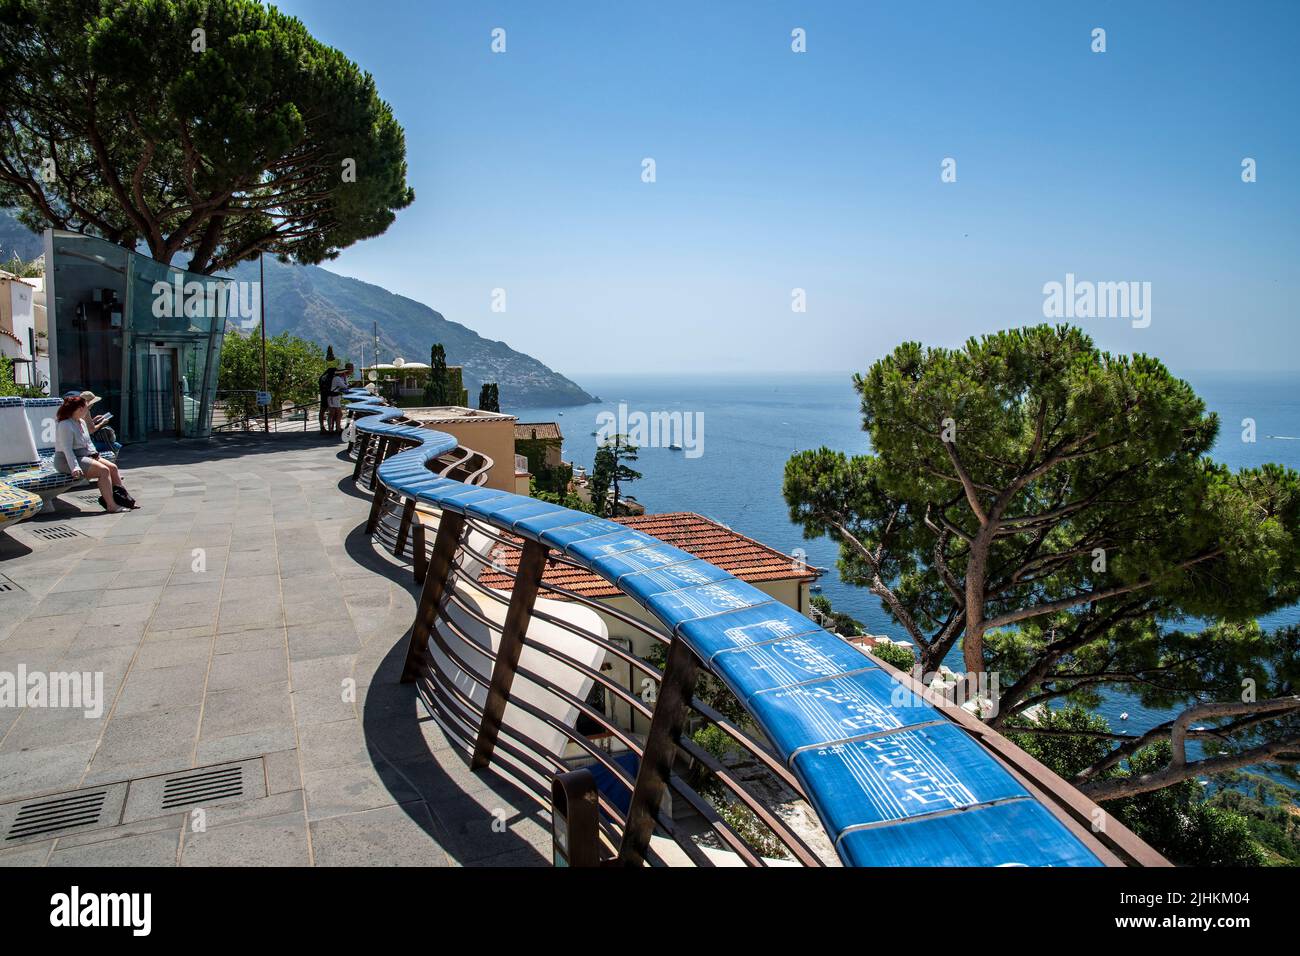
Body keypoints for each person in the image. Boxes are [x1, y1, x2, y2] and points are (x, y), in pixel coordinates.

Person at [53, 395, 137, 513]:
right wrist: (75, 467)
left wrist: (94, 453)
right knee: (104, 471)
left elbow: (88, 442)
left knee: (112, 467)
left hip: (84, 455)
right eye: (86, 408)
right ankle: (111, 505)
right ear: (79, 409)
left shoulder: (81, 422)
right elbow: (67, 449)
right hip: (66, 460)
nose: (88, 411)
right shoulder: (65, 425)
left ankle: (124, 500)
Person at [80, 391, 122, 455]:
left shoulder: (79, 410)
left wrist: (94, 420)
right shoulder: (86, 411)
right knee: (116, 445)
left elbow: (84, 425)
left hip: (81, 440)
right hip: (85, 442)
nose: (93, 404)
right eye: (92, 402)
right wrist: (102, 423)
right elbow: (91, 430)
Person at [327, 363, 353, 436]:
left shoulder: (335, 378)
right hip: (334, 397)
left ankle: (332, 429)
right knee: (337, 413)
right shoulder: (337, 378)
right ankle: (336, 429)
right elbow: (345, 386)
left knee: (333, 414)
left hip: (332, 397)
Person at [317, 366, 337, 433]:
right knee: (332, 412)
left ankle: (322, 427)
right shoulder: (330, 378)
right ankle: (331, 428)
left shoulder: (322, 377)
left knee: (322, 411)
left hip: (323, 395)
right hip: (330, 396)